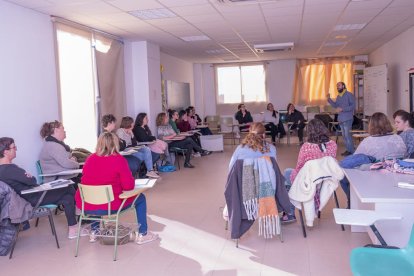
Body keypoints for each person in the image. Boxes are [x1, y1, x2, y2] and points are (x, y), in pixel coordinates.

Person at [75, 132, 158, 244]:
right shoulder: (118, 159)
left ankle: (94, 232)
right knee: (141, 198)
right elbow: (128, 186)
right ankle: (143, 234)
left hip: (87, 204)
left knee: (97, 197)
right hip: (109, 205)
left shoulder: (90, 159)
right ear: (116, 144)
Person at [0, 137, 87, 239]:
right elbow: (32, 180)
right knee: (69, 186)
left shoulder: (2, 169)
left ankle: (73, 229)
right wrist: (29, 177)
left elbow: (28, 181)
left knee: (67, 198)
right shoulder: (10, 169)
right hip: (32, 198)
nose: (16, 149)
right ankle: (79, 209)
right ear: (6, 151)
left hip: (25, 198)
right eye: (14, 147)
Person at [340, 112, 407, 206]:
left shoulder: (369, 141)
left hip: (374, 176)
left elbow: (354, 158)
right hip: (396, 174)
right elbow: (404, 154)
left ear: (371, 125)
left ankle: (350, 200)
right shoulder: (398, 138)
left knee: (343, 174)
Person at [283, 119, 337, 222]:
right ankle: (290, 212)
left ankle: (290, 213)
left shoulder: (306, 147)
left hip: (309, 182)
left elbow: (299, 167)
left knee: (287, 173)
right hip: (326, 181)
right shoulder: (333, 145)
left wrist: (295, 177)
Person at [102, 114, 158, 178]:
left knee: (146, 149)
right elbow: (121, 146)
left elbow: (133, 144)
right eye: (114, 123)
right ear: (110, 123)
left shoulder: (112, 133)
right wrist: (124, 143)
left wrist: (131, 134)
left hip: (128, 149)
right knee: (142, 156)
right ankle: (145, 172)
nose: (115, 124)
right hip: (123, 151)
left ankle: (149, 170)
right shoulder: (111, 134)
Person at [327, 82, 356, 156]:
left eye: (339, 86)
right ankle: (348, 150)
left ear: (343, 86)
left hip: (347, 118)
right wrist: (329, 99)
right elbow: (336, 105)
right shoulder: (338, 96)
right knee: (344, 136)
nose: (337, 87)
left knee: (347, 135)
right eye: (337, 86)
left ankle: (352, 151)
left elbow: (353, 106)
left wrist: (343, 109)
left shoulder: (349, 95)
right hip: (341, 119)